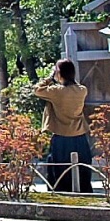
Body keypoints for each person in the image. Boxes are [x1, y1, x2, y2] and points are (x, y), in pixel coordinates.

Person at [35, 58, 93, 193]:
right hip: (79, 136)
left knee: (59, 171)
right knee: (82, 169)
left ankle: (59, 194)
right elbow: (74, 86)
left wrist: (50, 77)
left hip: (61, 137)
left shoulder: (56, 91)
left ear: (59, 73)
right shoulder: (82, 90)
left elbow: (37, 90)